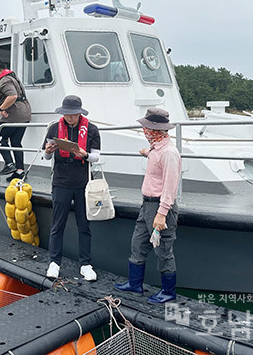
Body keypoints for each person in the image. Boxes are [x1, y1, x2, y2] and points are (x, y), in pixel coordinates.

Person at [115, 107, 181, 304]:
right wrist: (147, 152)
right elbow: (154, 157)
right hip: (147, 206)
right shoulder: (156, 148)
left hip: (160, 208)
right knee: (138, 243)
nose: (144, 131)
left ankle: (168, 292)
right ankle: (135, 284)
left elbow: (170, 187)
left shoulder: (168, 153)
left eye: (146, 128)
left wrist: (161, 215)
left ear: (156, 130)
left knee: (163, 250)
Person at [43, 95, 101, 282]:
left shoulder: (91, 130)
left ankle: (85, 264)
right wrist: (47, 151)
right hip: (61, 181)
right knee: (57, 224)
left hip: (83, 183)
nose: (69, 118)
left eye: (73, 115)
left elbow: (96, 157)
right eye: (67, 114)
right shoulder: (54, 128)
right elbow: (46, 157)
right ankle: (54, 262)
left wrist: (84, 155)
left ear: (79, 113)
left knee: (84, 225)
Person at [0, 59, 32, 181]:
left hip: (14, 114)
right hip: (24, 113)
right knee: (16, 142)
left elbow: (12, 96)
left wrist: (1, 108)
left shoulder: (4, 80)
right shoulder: (12, 77)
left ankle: (9, 164)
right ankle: (20, 171)